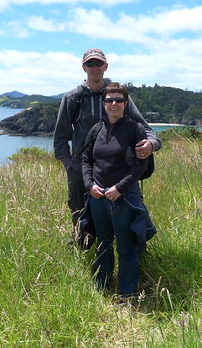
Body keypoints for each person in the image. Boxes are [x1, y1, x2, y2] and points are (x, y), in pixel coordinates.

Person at [53, 48, 161, 227]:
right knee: (79, 208)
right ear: (84, 67)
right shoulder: (73, 97)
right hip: (82, 164)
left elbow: (144, 127)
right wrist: (69, 164)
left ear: (106, 66)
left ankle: (133, 248)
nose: (95, 67)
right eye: (90, 63)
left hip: (117, 165)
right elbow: (61, 136)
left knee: (129, 207)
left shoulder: (116, 97)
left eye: (98, 63)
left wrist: (151, 144)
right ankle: (84, 245)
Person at [81, 82, 156, 297]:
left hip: (124, 198)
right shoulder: (96, 129)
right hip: (98, 196)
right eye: (109, 100)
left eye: (119, 100)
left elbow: (140, 165)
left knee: (126, 247)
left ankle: (127, 291)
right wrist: (89, 185)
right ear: (103, 103)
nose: (114, 103)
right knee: (103, 243)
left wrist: (119, 188)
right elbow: (86, 159)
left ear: (125, 103)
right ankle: (102, 286)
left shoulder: (135, 129)